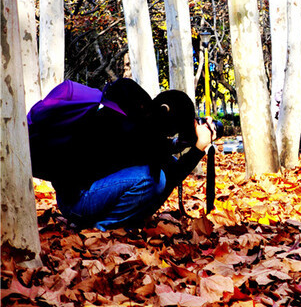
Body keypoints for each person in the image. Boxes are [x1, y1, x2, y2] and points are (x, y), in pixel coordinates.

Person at [34, 78, 216, 230]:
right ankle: (102, 228)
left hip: (72, 198)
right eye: (173, 129)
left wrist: (180, 143)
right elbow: (169, 176)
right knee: (153, 179)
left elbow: (156, 151)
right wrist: (199, 147)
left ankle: (110, 221)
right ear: (165, 112)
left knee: (157, 175)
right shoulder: (132, 130)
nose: (170, 134)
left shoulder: (131, 118)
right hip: (78, 204)